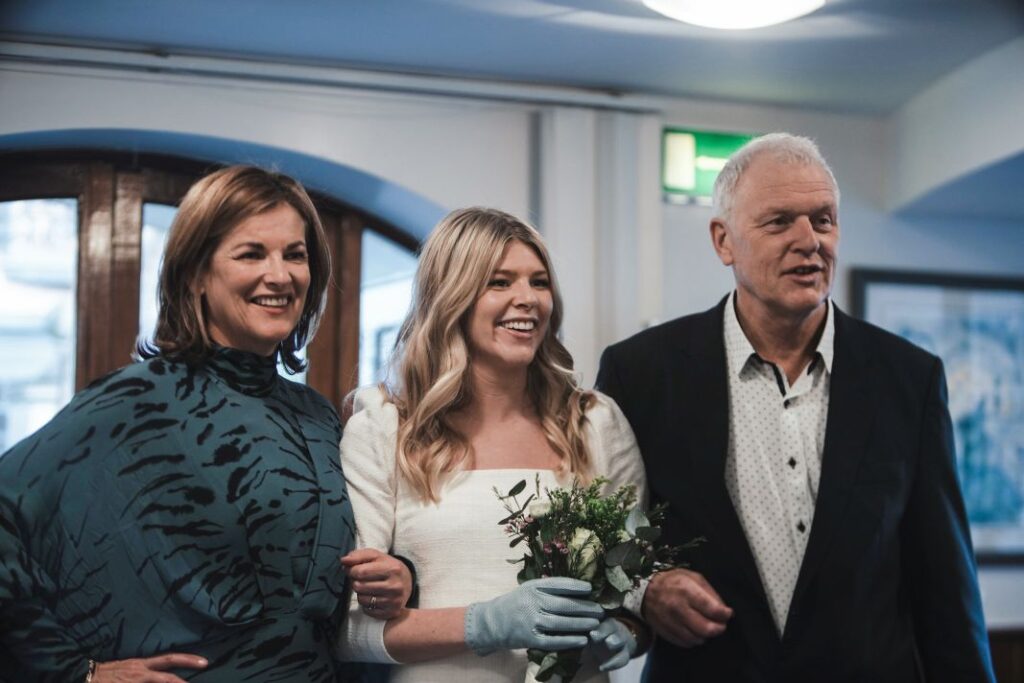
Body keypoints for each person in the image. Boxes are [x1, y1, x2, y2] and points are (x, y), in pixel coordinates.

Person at [596, 133, 995, 682]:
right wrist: (646, 591)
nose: (809, 240)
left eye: (823, 220)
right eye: (780, 221)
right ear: (723, 241)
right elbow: (604, 539)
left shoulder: (909, 378)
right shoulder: (641, 373)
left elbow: (945, 586)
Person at [0, 165, 411, 682]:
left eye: (295, 254)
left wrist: (397, 579)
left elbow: (328, 581)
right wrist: (76, 673)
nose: (280, 275)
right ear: (195, 273)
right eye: (251, 253)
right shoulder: (138, 398)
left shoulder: (315, 414)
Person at [336, 207, 649, 682]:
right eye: (499, 282)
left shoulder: (594, 423)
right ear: (452, 297)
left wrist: (627, 630)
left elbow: (639, 588)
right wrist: (483, 623)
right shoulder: (385, 428)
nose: (527, 299)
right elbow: (350, 632)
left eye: (539, 282)